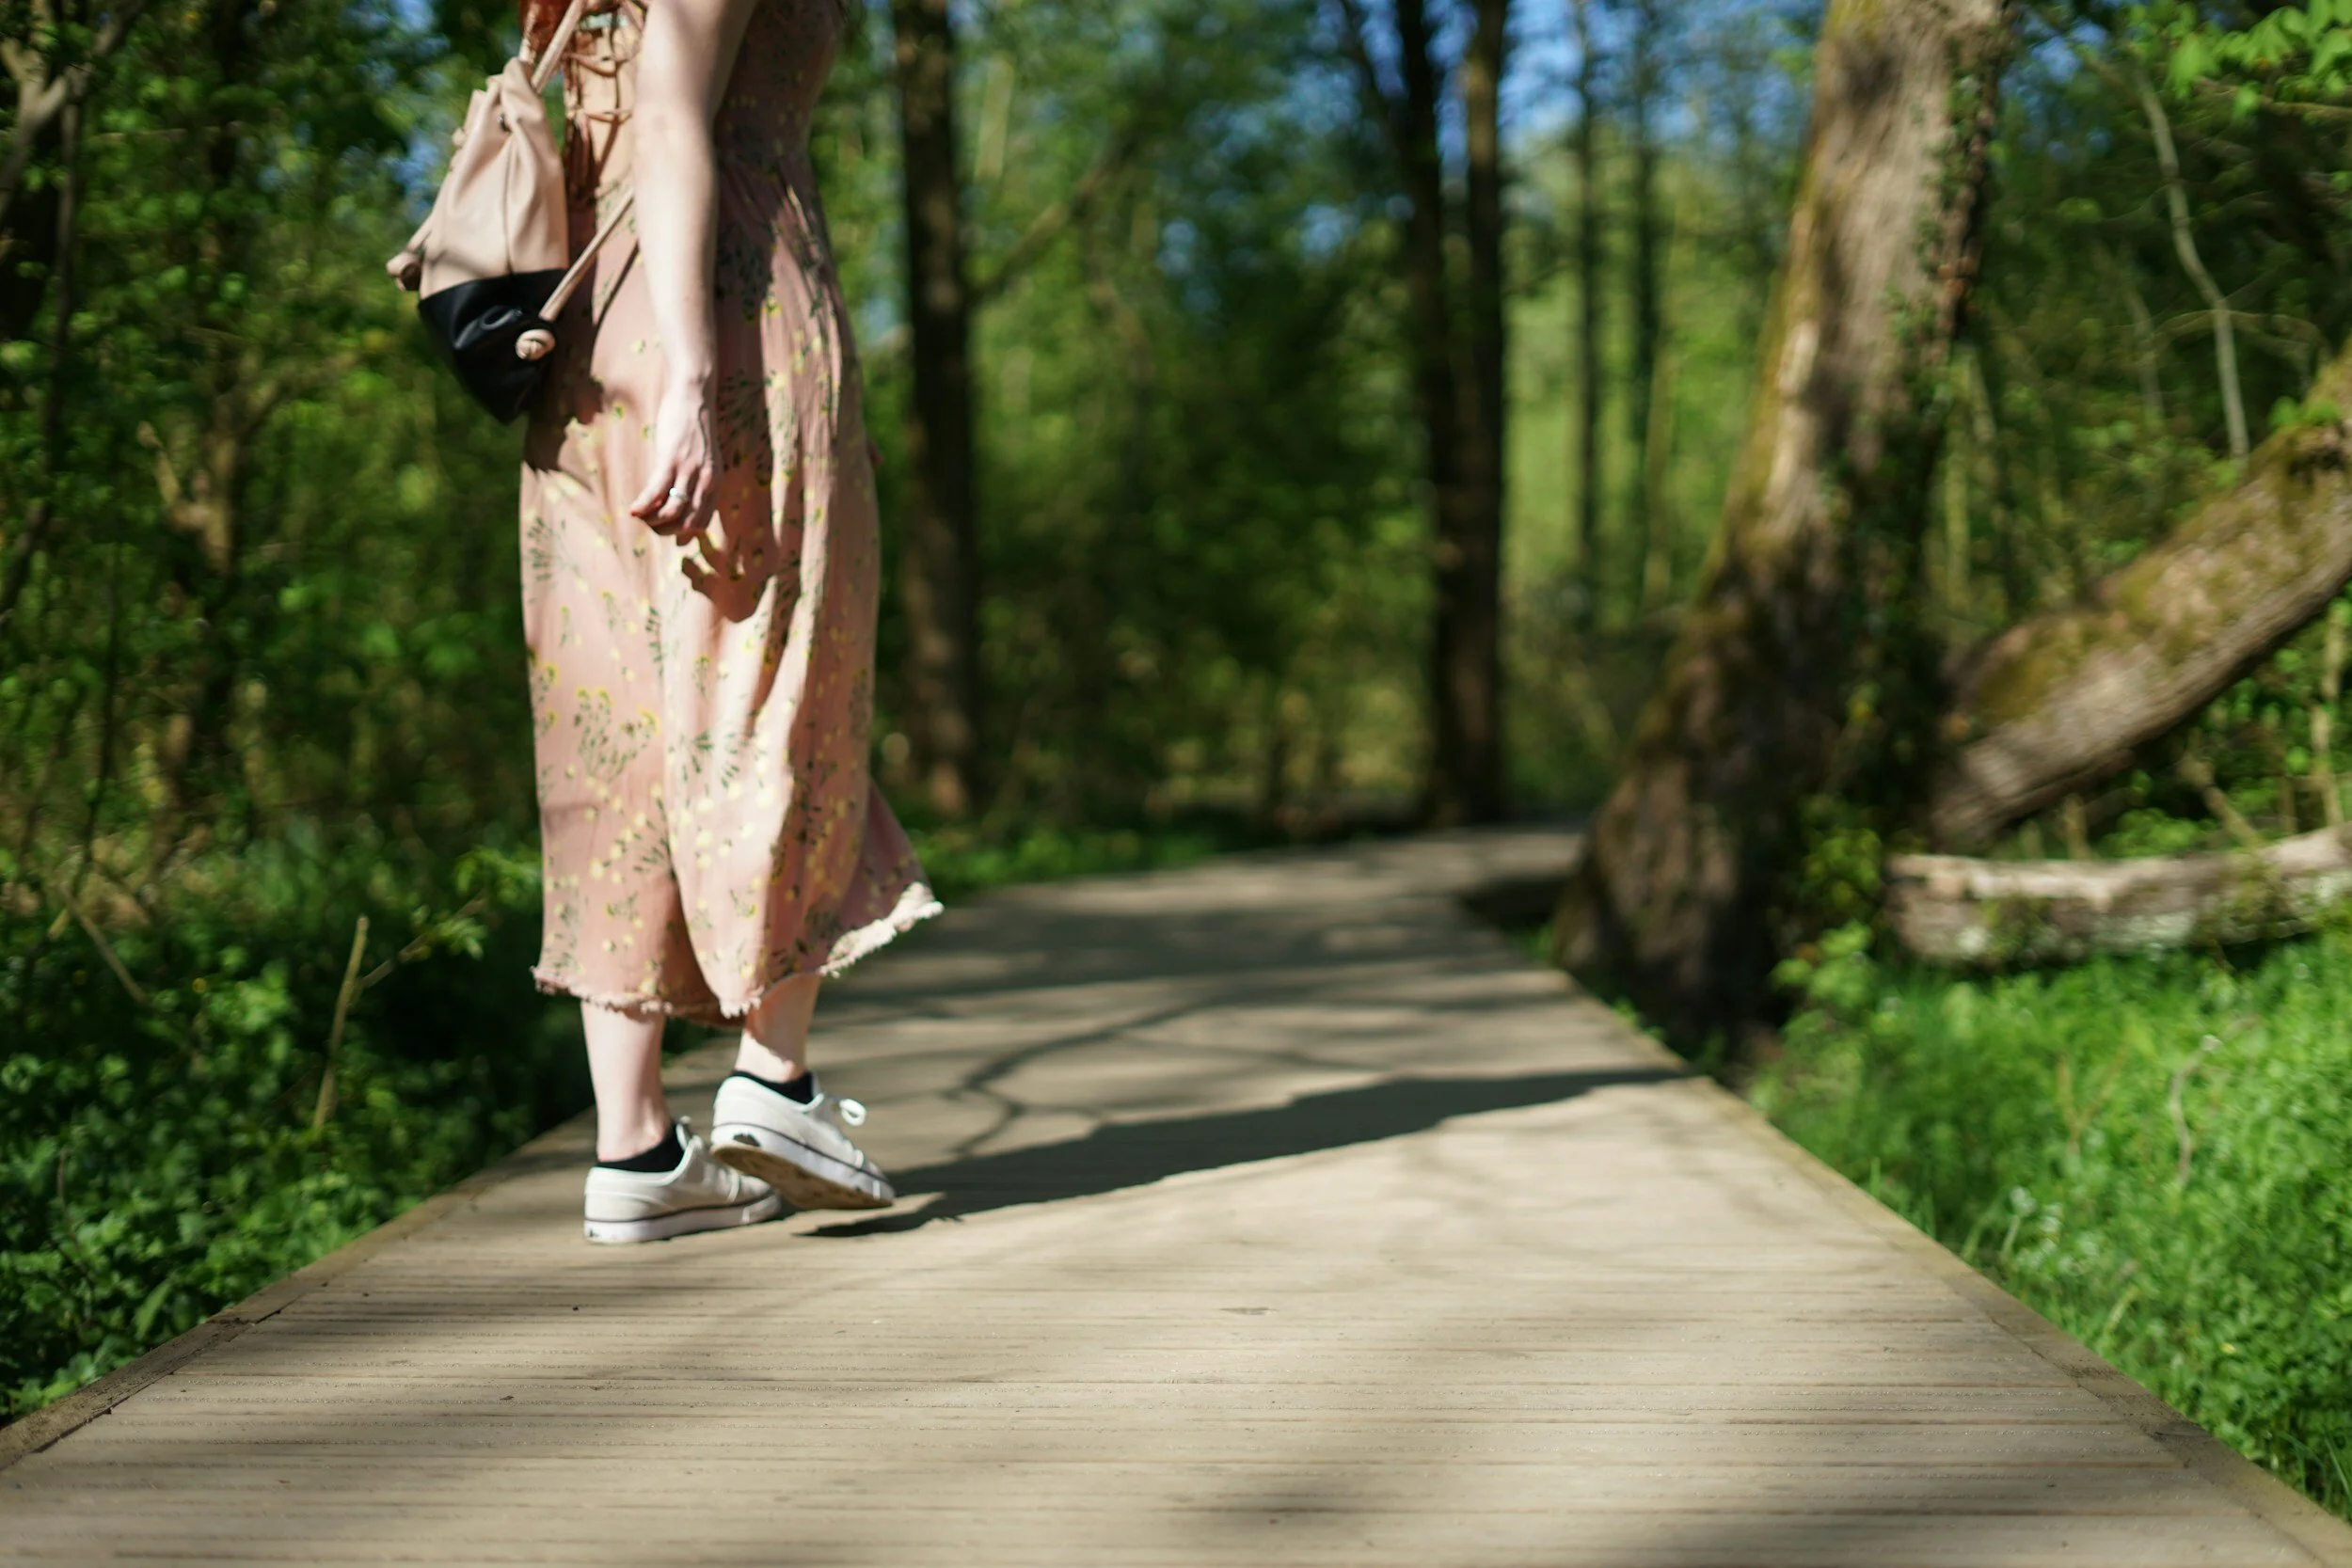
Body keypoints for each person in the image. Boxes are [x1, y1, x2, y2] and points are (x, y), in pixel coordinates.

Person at [516, 0, 938, 1243]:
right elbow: (671, 106)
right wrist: (698, 375)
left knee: (615, 722)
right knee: (778, 683)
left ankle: (636, 1147)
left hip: (581, 339)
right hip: (728, 311)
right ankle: (774, 1074)